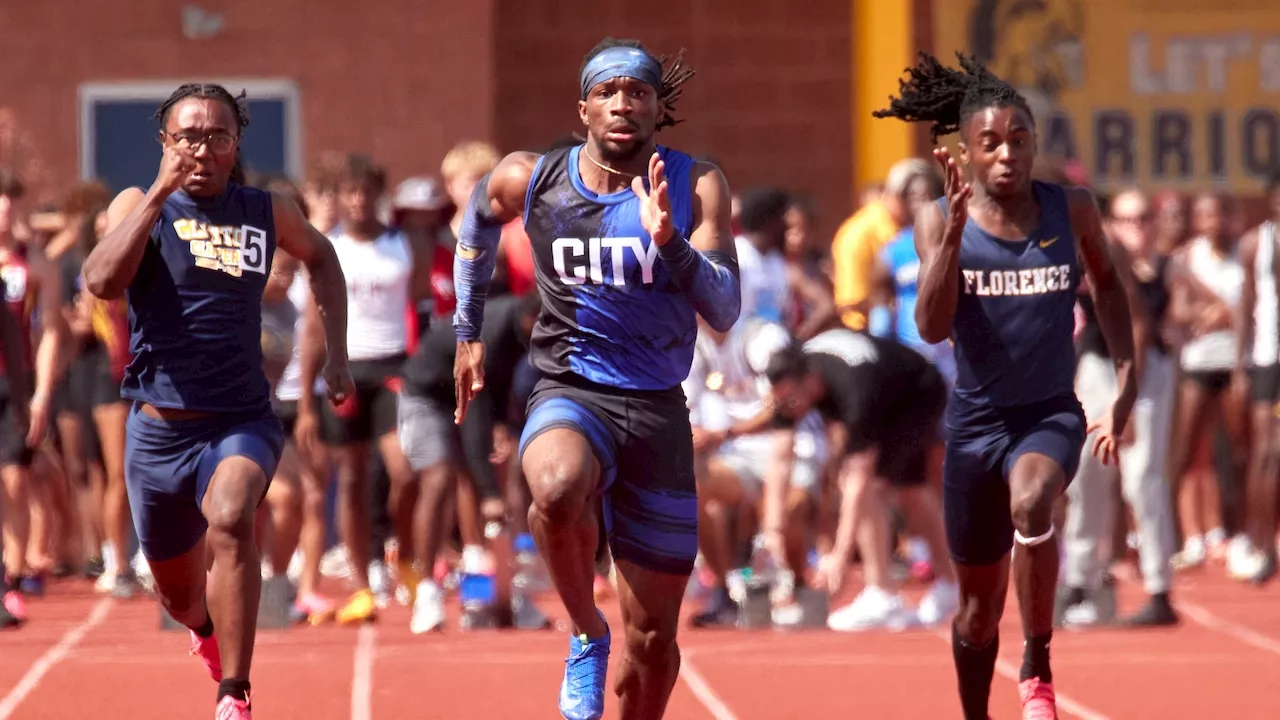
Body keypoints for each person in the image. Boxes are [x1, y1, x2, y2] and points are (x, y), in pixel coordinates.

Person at [452, 38, 740, 720]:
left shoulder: (697, 183)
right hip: (570, 387)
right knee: (553, 488)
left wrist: (669, 241)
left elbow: (724, 309)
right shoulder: (536, 179)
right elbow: (477, 215)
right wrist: (467, 331)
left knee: (654, 646)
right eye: (607, 92)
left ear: (657, 109)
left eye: (637, 93)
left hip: (657, 409)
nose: (622, 105)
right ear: (582, 108)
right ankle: (584, 630)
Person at [873, 53, 1137, 720]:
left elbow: (1108, 286)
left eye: (1020, 141)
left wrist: (1127, 381)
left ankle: (1038, 664)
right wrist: (955, 237)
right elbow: (931, 327)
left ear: (1035, 146)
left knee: (1033, 501)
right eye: (990, 142)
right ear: (964, 150)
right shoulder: (937, 220)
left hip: (1049, 412)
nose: (1007, 155)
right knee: (975, 611)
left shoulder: (1070, 209)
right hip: (973, 426)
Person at [81, 83, 351, 720]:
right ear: (166, 143)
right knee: (178, 597)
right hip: (157, 428)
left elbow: (324, 257)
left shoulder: (265, 210)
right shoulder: (137, 203)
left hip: (239, 418)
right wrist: (156, 195)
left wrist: (335, 354)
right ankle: (205, 630)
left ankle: (235, 691)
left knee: (232, 514)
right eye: (188, 137)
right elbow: (100, 280)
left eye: (217, 136)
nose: (202, 149)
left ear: (236, 146)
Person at [0, 169, 65, 603]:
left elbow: (53, 331)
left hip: (12, 384)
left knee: (15, 479)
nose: (4, 209)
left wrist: (41, 392)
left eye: (9, 200)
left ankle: (15, 572)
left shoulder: (33, 262)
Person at [1233, 167, 1280, 584]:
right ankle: (1261, 542)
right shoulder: (1256, 242)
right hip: (1268, 359)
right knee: (1266, 451)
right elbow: (1246, 303)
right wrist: (1239, 367)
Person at [0, 271, 30, 628]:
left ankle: (11, 582)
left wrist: (23, 401)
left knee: (12, 483)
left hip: (5, 392)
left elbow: (10, 331)